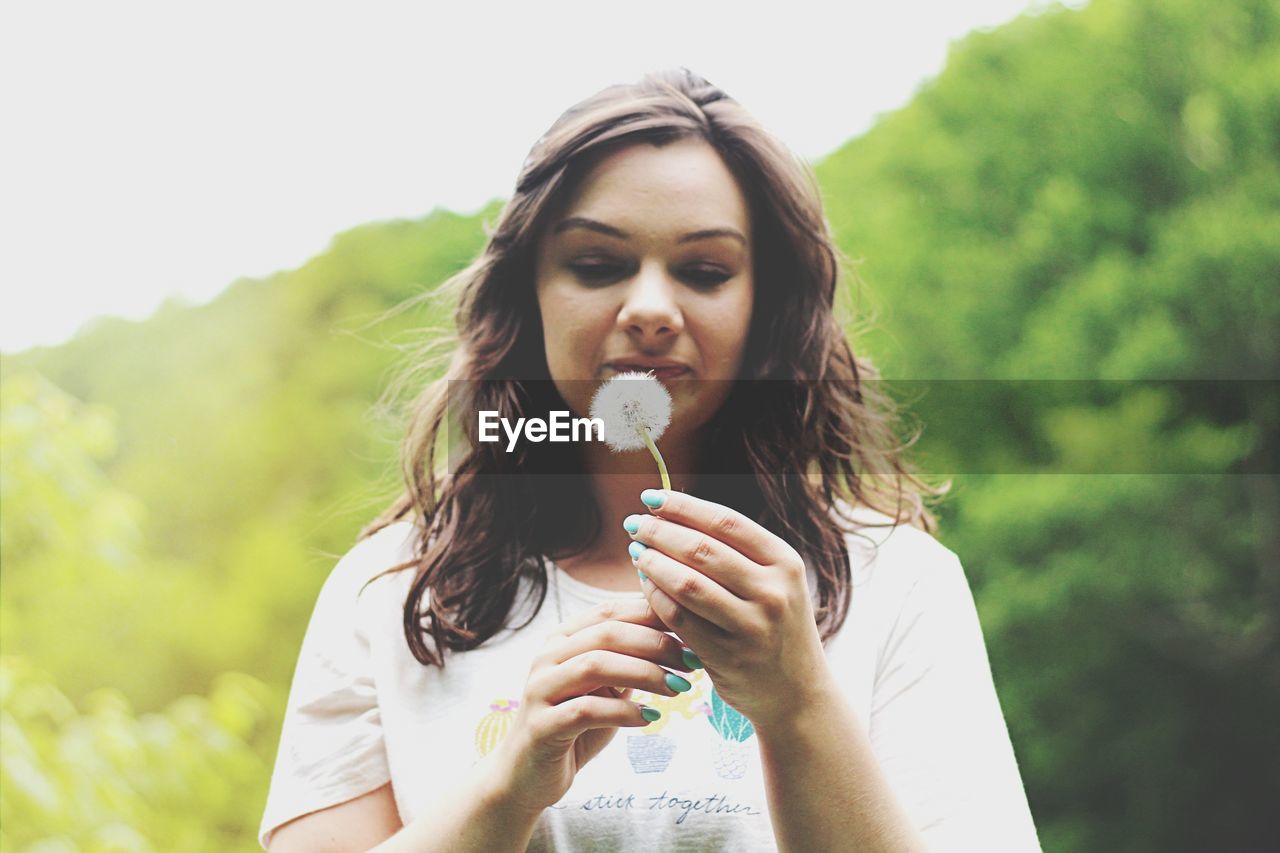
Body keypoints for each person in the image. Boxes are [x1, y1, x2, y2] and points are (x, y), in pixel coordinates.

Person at [258, 68, 1042, 851]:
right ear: (527, 292)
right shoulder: (394, 590)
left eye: (704, 272)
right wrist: (515, 778)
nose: (651, 311)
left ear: (763, 307)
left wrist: (797, 699)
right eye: (598, 266)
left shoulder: (896, 581)